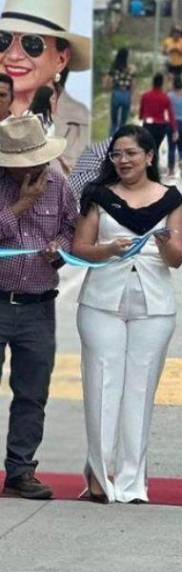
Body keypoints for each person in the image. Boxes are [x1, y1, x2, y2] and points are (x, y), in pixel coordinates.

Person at [72, 125, 182, 503]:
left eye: (131, 153)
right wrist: (108, 250)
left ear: (149, 157)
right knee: (102, 384)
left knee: (140, 389)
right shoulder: (100, 196)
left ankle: (133, 481)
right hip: (103, 298)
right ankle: (100, 477)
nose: (123, 161)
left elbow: (178, 259)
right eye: (117, 154)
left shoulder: (170, 199)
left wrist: (164, 243)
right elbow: (81, 247)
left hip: (153, 302)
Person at [0, 116, 78, 500]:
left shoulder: (59, 184)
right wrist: (21, 205)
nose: (27, 170)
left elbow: (73, 228)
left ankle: (21, 469)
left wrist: (59, 248)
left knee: (32, 392)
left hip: (38, 307)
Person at [0, 0, 93, 120]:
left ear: (61, 60)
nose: (14, 55)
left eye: (32, 44)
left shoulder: (80, 124)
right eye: (3, 40)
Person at [137, 73, 176, 175]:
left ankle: (148, 168)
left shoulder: (146, 96)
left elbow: (141, 111)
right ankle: (153, 168)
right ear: (161, 84)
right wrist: (174, 129)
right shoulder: (165, 98)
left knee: (148, 147)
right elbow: (170, 114)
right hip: (161, 126)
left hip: (148, 125)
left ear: (153, 83)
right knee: (156, 147)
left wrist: (141, 117)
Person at [106, 49, 135, 132]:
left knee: (114, 122)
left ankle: (111, 140)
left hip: (116, 92)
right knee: (123, 122)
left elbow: (109, 80)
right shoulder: (130, 68)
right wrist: (132, 96)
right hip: (126, 93)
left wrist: (109, 88)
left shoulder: (114, 67)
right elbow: (133, 83)